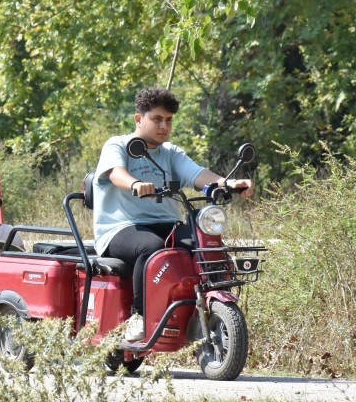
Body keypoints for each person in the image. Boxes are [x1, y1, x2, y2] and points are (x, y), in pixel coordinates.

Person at [93, 87, 253, 341]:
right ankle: (139, 317)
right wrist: (135, 184)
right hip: (121, 228)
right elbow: (115, 172)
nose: (163, 126)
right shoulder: (118, 145)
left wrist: (227, 183)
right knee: (152, 247)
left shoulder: (171, 152)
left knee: (204, 241)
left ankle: (208, 305)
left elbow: (197, 174)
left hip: (167, 224)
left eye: (168, 120)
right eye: (156, 119)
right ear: (139, 119)